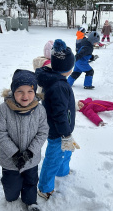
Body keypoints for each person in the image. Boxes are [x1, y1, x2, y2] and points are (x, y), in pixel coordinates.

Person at [0, 69, 49, 211]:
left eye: (30, 91)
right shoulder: (4, 109)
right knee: (11, 185)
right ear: (13, 92)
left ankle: (30, 202)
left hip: (31, 159)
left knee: (31, 182)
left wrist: (30, 152)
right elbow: (0, 133)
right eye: (20, 91)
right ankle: (11, 200)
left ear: (35, 92)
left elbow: (43, 132)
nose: (25, 96)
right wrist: (15, 154)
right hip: (10, 160)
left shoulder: (40, 109)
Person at [35, 39, 79, 200]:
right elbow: (59, 114)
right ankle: (44, 187)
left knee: (67, 151)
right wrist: (66, 134)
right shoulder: (59, 86)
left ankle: (63, 171)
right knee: (53, 158)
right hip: (58, 131)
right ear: (66, 68)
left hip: (63, 128)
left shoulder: (57, 79)